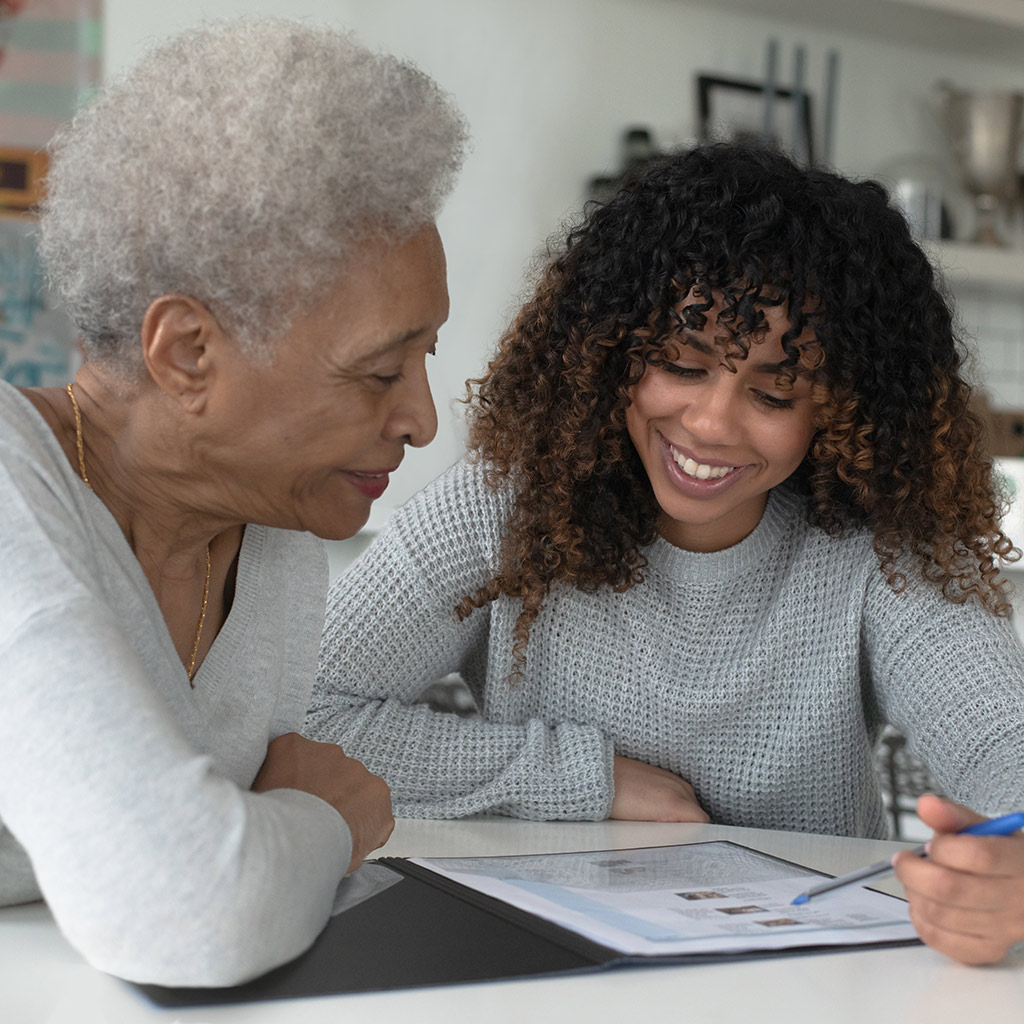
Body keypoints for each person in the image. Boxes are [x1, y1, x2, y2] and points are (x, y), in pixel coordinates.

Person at [309, 142, 1024, 965]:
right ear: (612, 350)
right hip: (545, 963)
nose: (712, 423)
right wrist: (588, 780)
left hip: (802, 977)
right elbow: (307, 714)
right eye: (681, 364)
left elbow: (1001, 740)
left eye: (772, 392)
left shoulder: (881, 546)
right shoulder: (501, 507)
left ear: (843, 406)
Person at [0, 17, 466, 986]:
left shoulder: (275, 542)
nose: (420, 420)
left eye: (424, 358)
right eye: (379, 371)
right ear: (187, 354)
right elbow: (186, 908)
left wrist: (262, 833)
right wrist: (327, 820)